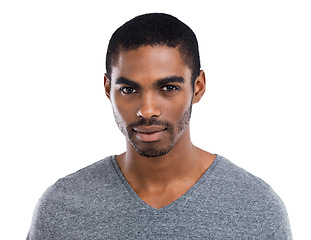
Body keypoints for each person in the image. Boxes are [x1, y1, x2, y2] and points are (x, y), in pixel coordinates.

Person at [27, 13, 292, 239]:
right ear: (108, 89)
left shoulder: (255, 207)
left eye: (168, 88)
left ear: (197, 87)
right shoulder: (62, 206)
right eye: (129, 89)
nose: (147, 110)